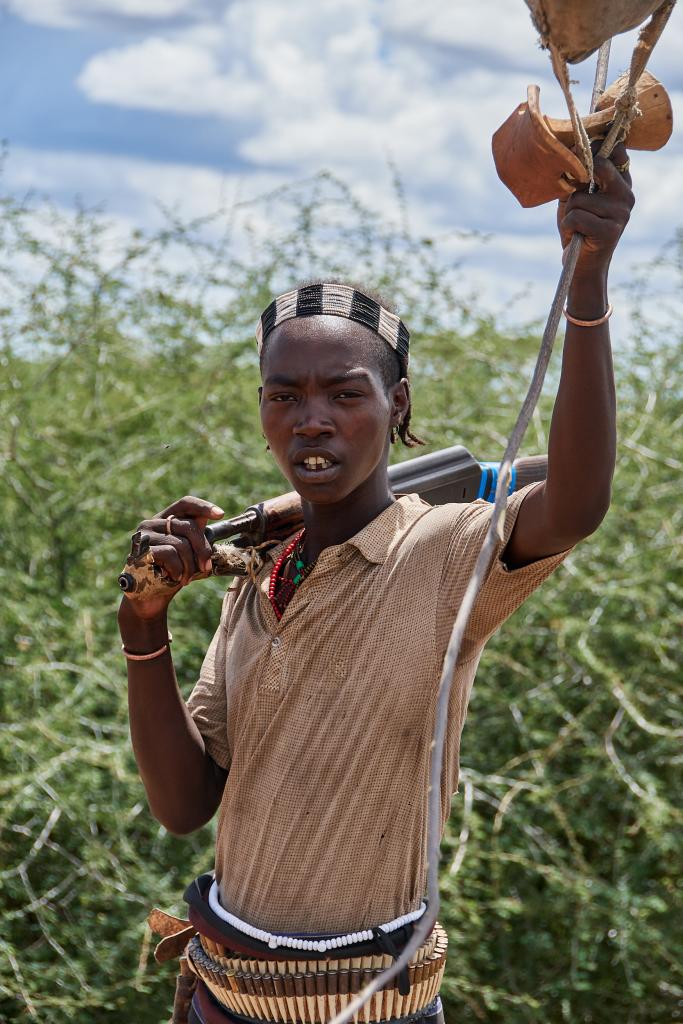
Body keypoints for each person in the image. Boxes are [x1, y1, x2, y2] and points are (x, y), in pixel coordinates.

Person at [118, 149, 634, 1024]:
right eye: (284, 396)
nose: (311, 419)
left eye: (344, 394)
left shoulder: (444, 553)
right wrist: (143, 625)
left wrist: (586, 284)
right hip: (222, 999)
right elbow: (183, 805)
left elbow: (574, 495)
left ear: (397, 407)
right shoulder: (256, 583)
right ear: (262, 410)